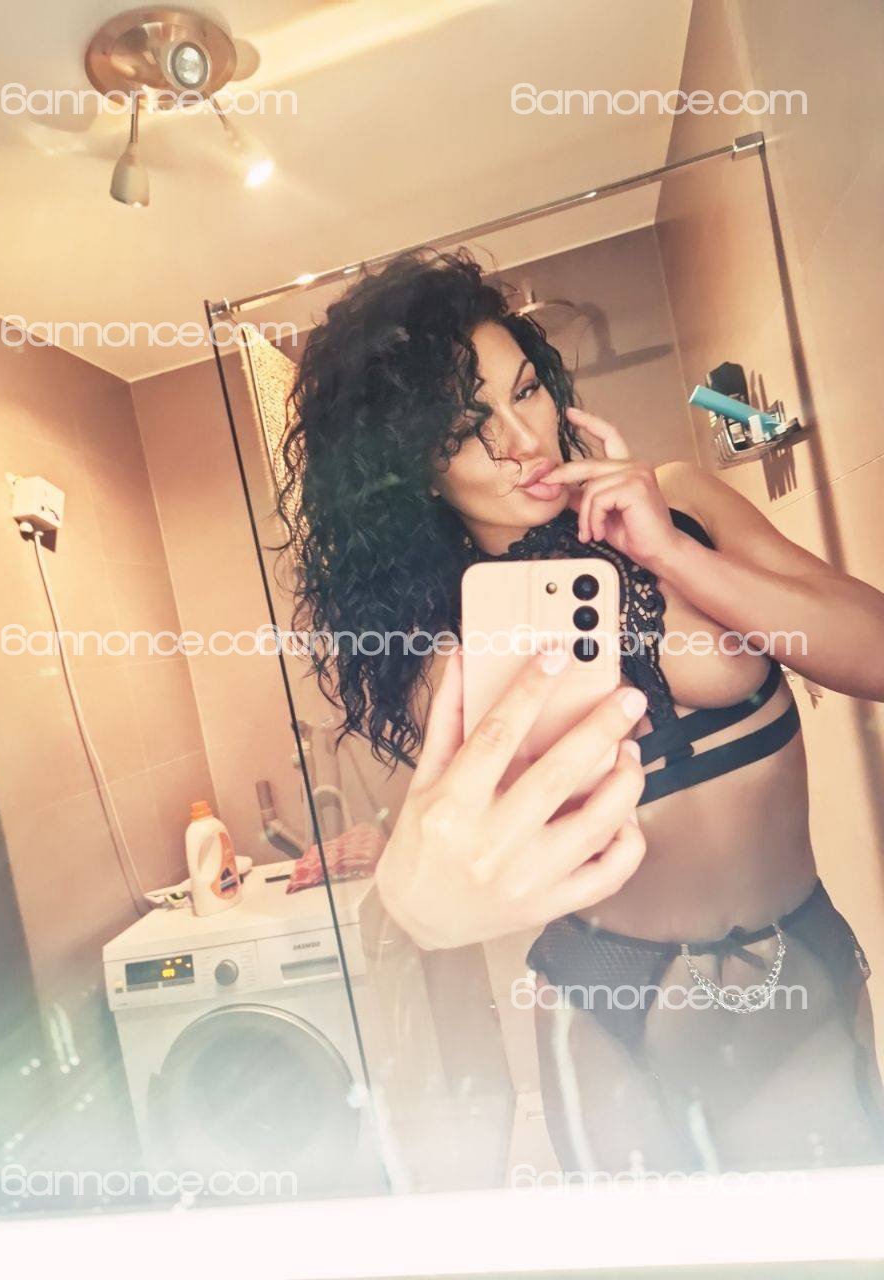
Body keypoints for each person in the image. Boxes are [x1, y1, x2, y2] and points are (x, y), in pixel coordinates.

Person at [278, 247, 884, 1172]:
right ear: (413, 470)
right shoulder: (444, 632)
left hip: (793, 955)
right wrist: (403, 865)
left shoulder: (680, 500)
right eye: (465, 426)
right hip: (606, 990)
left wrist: (672, 556)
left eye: (526, 391)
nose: (523, 439)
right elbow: (474, 831)